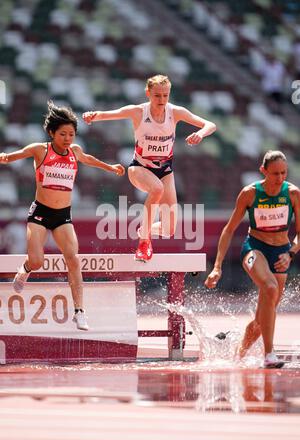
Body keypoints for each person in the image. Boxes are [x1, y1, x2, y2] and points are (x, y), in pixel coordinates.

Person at [0, 101, 125, 331]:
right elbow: (10, 157)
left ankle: (79, 311)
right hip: (40, 213)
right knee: (37, 261)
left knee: (73, 259)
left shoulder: (74, 152)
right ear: (52, 133)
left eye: (71, 134)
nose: (68, 139)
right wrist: (4, 157)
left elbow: (89, 160)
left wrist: (111, 168)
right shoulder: (40, 150)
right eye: (63, 134)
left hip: (62, 216)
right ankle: (26, 269)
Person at [82, 74, 216, 262]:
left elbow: (210, 124)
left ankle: (144, 229)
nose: (161, 100)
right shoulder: (138, 112)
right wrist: (92, 116)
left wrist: (200, 134)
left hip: (165, 170)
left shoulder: (175, 112)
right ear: (148, 93)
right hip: (139, 168)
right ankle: (144, 242)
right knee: (157, 189)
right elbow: (111, 114)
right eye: (157, 96)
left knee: (169, 230)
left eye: (165, 95)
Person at [205, 150, 300, 368]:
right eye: (275, 173)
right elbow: (228, 230)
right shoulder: (250, 193)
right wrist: (217, 267)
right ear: (263, 171)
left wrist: (291, 253)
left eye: (284, 173)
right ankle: (269, 355)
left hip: (282, 252)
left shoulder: (293, 194)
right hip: (253, 249)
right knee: (269, 286)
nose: (280, 178)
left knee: (262, 318)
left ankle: (239, 354)